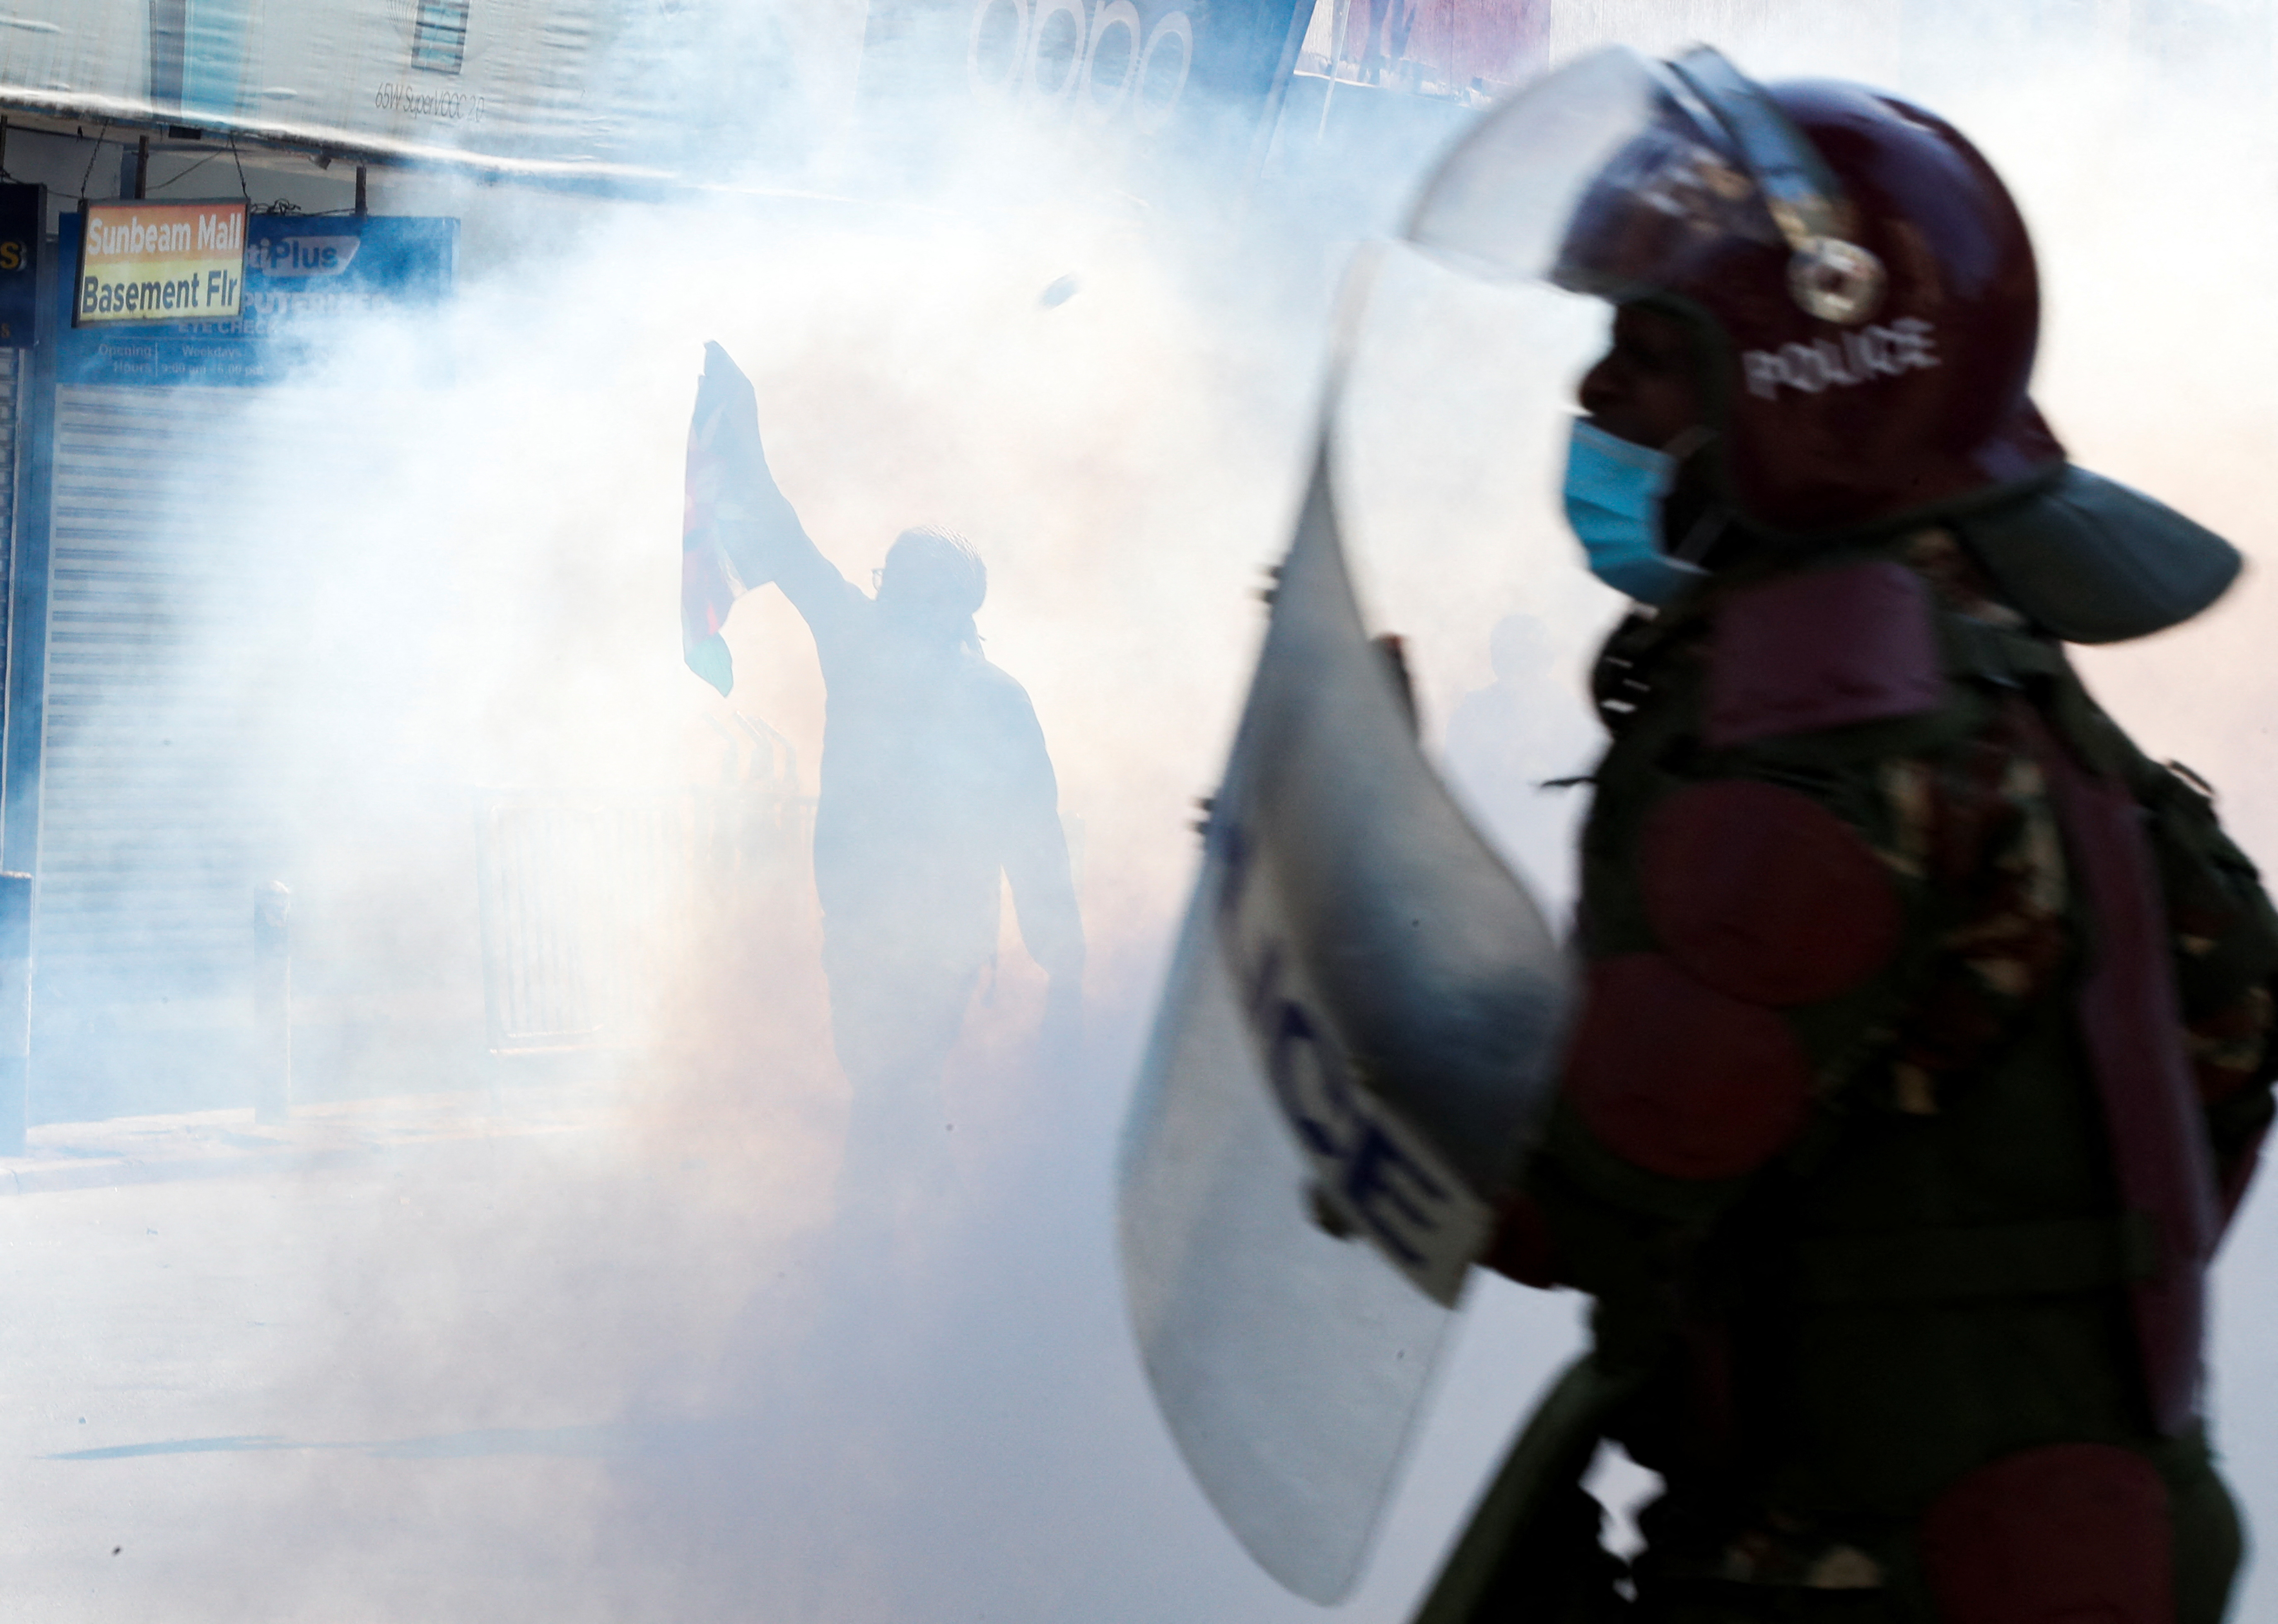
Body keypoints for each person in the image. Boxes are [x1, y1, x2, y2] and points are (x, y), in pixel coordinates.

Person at [1408, 48, 2277, 1624]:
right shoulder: (1981, 657)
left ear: (1808, 390)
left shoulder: (1821, 757)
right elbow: (2230, 1022)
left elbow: (1566, 1195)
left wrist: (1361, 940)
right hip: (2065, 1534)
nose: (1597, 397)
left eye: (1650, 355)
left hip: (1873, 1571)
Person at [700, 372, 1084, 1222]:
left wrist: (1061, 949)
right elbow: (785, 541)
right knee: (887, 1081)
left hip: (936, 925)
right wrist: (740, 432)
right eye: (912, 582)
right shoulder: (865, 645)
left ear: (963, 602)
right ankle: (942, 1247)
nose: (921, 600)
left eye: (939, 588)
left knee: (892, 1082)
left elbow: (1032, 826)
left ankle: (874, 1259)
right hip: (867, 917)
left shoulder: (987, 695)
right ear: (891, 585)